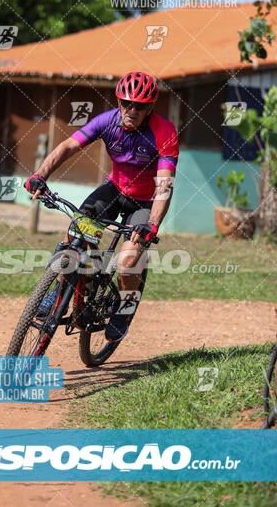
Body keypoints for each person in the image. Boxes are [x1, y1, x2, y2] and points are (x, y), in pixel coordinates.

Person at [24, 72, 179, 342]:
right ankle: (54, 293)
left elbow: (165, 184)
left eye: (139, 106)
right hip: (114, 189)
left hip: (145, 201)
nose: (131, 110)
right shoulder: (107, 121)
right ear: (118, 101)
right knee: (74, 234)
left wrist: (152, 223)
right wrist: (40, 175)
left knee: (128, 261)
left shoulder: (164, 131)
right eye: (126, 103)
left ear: (151, 107)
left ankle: (125, 307)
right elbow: (68, 146)